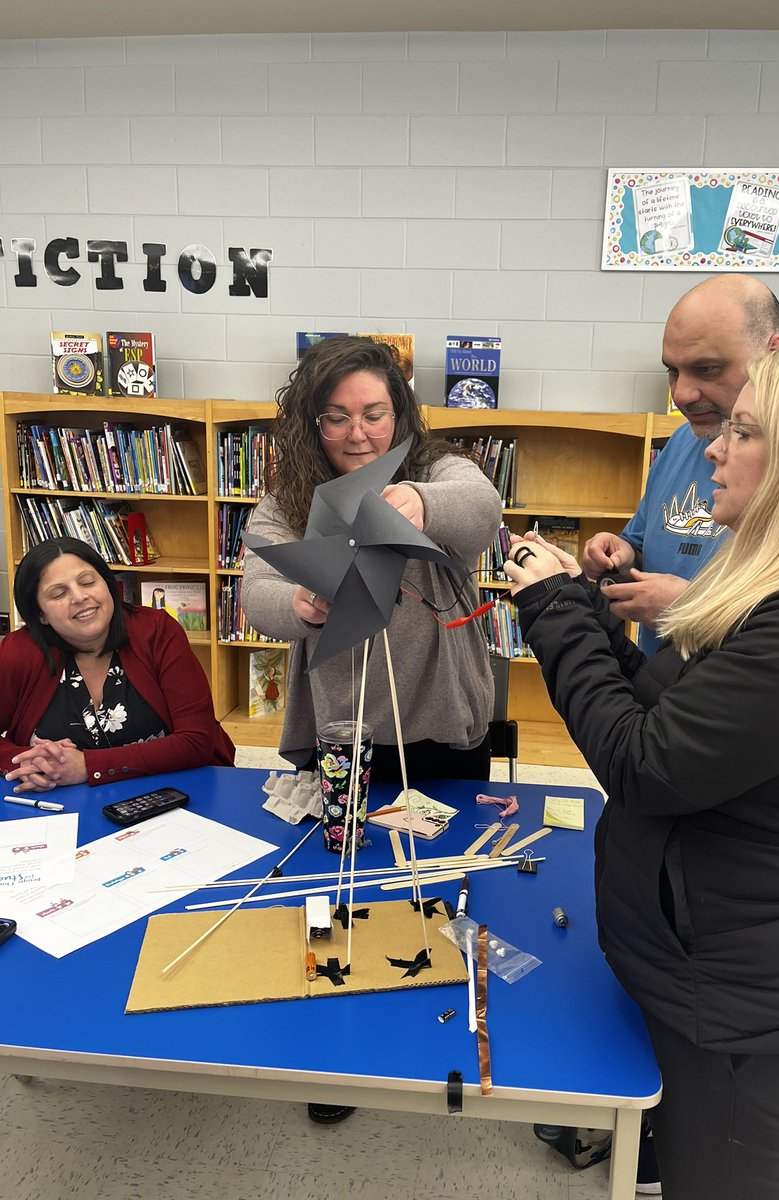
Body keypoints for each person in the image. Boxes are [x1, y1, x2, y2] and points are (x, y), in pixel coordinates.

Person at [505, 345, 779, 1200]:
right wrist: (590, 615)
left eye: (744, 431)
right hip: (707, 973)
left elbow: (645, 763)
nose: (713, 448)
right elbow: (674, 713)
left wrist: (550, 612)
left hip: (745, 1012)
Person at [240, 336, 502, 1123]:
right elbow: (257, 586)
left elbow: (481, 511)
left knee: (443, 874)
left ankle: (432, 1015)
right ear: (311, 423)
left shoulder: (438, 467)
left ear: (402, 409)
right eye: (337, 417)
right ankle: (337, 1040)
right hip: (343, 729)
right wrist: (301, 605)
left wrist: (418, 503)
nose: (359, 433)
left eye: (375, 413)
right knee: (336, 885)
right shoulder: (292, 498)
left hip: (442, 720)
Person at [583, 275, 779, 654]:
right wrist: (622, 555)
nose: (681, 395)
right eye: (673, 371)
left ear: (772, 354)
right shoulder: (683, 440)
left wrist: (691, 607)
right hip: (659, 688)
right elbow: (645, 542)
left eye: (707, 369)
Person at [0, 538, 235, 791]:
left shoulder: (157, 631)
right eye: (59, 593)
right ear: (40, 615)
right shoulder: (19, 652)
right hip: (58, 806)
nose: (79, 597)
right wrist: (29, 763)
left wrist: (88, 766)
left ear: (109, 584)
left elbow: (196, 740)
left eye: (88, 582)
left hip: (170, 793)